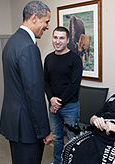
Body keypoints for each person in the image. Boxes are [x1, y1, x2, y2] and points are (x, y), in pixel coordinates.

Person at [0, 1, 53, 164]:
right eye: (46, 21)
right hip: (27, 126)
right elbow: (34, 94)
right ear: (35, 18)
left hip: (15, 121)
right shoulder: (29, 47)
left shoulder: (12, 41)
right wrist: (45, 131)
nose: (47, 26)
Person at [44, 26, 83, 164]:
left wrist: (58, 103)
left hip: (70, 106)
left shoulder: (75, 59)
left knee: (73, 139)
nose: (58, 41)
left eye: (61, 38)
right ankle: (58, 161)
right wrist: (51, 99)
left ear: (67, 40)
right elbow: (46, 82)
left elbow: (74, 85)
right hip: (53, 106)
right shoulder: (48, 58)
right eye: (55, 37)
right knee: (57, 137)